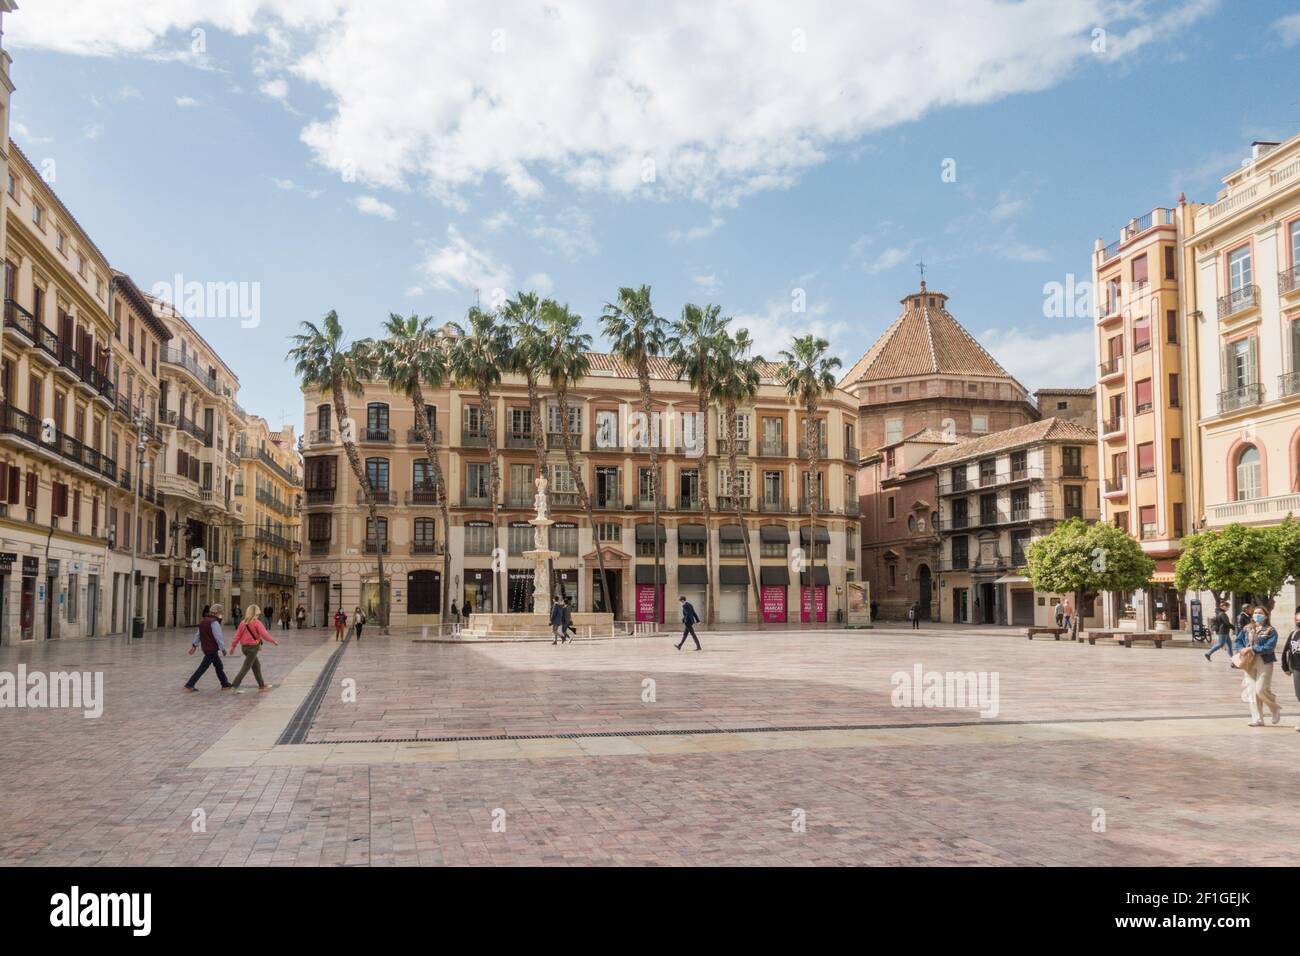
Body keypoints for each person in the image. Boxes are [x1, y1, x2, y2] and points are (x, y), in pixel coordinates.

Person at [1243, 607, 1281, 727]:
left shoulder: (1271, 630)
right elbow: (1238, 641)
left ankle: (1274, 708)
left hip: (1264, 661)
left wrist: (1251, 648)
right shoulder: (1247, 628)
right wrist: (1240, 649)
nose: (1257, 615)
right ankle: (1258, 719)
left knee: (1261, 689)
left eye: (1260, 613)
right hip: (1248, 661)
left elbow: (1269, 647)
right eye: (1255, 613)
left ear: (1266, 615)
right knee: (1252, 691)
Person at [229, 604, 278, 693]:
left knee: (256, 665)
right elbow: (264, 634)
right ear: (255, 613)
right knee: (246, 666)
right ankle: (235, 685)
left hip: (244, 648)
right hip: (253, 648)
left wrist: (233, 647)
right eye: (258, 614)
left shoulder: (242, 622)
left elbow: (237, 636)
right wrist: (273, 641)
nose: (258, 616)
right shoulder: (256, 622)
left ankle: (261, 685)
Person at [184, 604, 232, 692]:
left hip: (206, 648)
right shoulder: (214, 622)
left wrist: (194, 646)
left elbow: (198, 635)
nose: (221, 615)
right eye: (221, 613)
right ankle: (190, 684)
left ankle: (225, 683)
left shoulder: (204, 621)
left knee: (218, 665)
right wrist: (223, 649)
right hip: (212, 649)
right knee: (203, 667)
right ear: (217, 613)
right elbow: (218, 637)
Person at [1280, 610, 1300, 733]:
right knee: (1299, 696)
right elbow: (1285, 651)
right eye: (1297, 620)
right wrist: (1285, 667)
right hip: (1297, 669)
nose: (1299, 622)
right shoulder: (1294, 634)